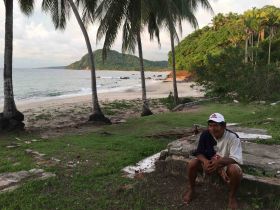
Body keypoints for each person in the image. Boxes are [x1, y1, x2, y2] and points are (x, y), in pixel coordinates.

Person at [183, 113, 243, 210]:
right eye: (210, 126)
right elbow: (199, 152)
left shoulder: (233, 137)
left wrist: (219, 163)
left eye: (216, 125)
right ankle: (191, 189)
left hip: (225, 165)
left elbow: (236, 159)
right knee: (192, 164)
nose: (213, 129)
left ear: (224, 126)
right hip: (209, 163)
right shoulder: (205, 134)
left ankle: (232, 197)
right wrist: (205, 161)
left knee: (235, 170)